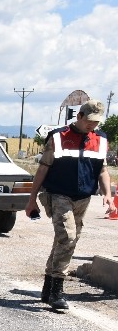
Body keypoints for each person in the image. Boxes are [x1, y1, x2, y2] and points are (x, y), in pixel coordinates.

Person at [24, 99, 115, 310]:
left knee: (63, 240)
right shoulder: (58, 137)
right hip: (58, 195)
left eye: (97, 122)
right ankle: (57, 290)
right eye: (89, 121)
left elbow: (102, 170)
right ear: (79, 116)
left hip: (83, 198)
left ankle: (48, 288)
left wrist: (108, 195)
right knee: (68, 237)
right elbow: (43, 169)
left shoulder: (100, 139)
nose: (93, 125)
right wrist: (31, 199)